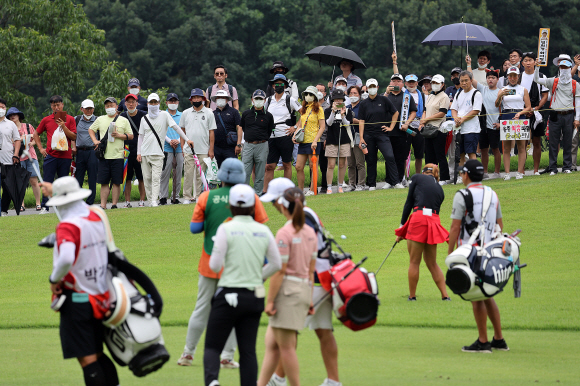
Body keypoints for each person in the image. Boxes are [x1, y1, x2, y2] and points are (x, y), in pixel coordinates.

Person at [178, 158, 269, 370]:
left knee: (201, 309)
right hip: (239, 266)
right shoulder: (252, 198)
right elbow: (260, 228)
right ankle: (227, 357)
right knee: (233, 311)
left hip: (210, 263)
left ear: (221, 178)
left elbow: (194, 228)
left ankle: (187, 353)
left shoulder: (206, 197)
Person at [259, 178, 343, 386]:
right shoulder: (309, 213)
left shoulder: (300, 220)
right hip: (322, 280)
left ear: (283, 200)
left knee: (284, 338)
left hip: (306, 282)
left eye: (274, 202)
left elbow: (296, 258)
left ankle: (277, 380)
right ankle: (333, 381)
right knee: (323, 330)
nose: (274, 207)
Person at [42, 176, 120, 386]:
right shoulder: (95, 217)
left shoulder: (67, 226)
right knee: (97, 352)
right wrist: (55, 190)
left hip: (77, 299)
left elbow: (67, 257)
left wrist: (53, 278)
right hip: (99, 294)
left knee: (87, 358)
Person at [203, 183, 282, 386]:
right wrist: (257, 276)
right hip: (253, 297)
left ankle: (212, 382)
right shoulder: (263, 230)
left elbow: (214, 264)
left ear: (231, 206)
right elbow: (276, 264)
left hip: (227, 294)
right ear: (252, 207)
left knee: (212, 346)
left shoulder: (225, 228)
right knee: (247, 351)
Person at [447, 160, 508, 353]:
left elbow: (455, 227)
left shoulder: (461, 195)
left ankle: (483, 342)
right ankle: (499, 339)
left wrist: (450, 255)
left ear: (466, 174)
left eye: (462, 173)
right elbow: (500, 225)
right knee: (487, 294)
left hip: (470, 253)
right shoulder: (492, 193)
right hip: (490, 252)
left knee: (476, 296)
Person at [257, 187, 317, 386]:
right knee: (272, 344)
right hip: (302, 291)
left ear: (283, 206)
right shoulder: (310, 232)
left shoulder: (284, 233)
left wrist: (270, 301)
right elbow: (310, 271)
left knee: (287, 348)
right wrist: (308, 299)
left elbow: (279, 271)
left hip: (288, 293)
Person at [395, 164, 450, 301]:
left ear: (424, 171)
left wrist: (402, 228)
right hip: (434, 221)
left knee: (414, 262)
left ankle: (412, 296)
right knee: (432, 263)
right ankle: (445, 295)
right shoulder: (440, 189)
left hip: (419, 219)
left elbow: (409, 202)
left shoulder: (417, 178)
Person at [137, 93, 193, 207]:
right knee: (147, 178)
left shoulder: (164, 115)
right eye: (151, 103)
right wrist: (139, 152)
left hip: (158, 152)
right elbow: (141, 136)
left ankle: (154, 201)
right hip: (145, 152)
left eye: (155, 102)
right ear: (147, 104)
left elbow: (176, 128)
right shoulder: (144, 118)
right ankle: (150, 199)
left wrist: (187, 139)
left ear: (159, 103)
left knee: (156, 177)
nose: (153, 105)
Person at [534, 55, 580, 174]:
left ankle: (567, 167)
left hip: (569, 115)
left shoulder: (575, 84)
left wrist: (577, 119)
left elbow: (578, 102)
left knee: (568, 142)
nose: (564, 70)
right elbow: (537, 80)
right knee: (553, 142)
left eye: (566, 68)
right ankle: (553, 168)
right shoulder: (553, 81)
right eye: (562, 67)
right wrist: (537, 67)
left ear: (570, 69)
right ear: (559, 68)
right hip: (555, 114)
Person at [33, 95, 77, 214]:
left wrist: (63, 126)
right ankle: (45, 207)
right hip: (50, 156)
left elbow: (73, 136)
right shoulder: (46, 119)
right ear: (51, 106)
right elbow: (36, 133)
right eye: (53, 105)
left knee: (63, 182)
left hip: (65, 156)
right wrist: (41, 148)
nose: (56, 107)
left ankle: (63, 207)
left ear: (62, 105)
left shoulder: (70, 119)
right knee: (47, 181)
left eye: (58, 105)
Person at [88, 97, 133, 209]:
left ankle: (114, 204)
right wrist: (95, 141)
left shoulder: (124, 120)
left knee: (117, 182)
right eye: (107, 106)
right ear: (105, 108)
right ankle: (103, 205)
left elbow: (131, 136)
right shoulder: (100, 119)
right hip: (104, 155)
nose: (109, 108)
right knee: (104, 182)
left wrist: (119, 136)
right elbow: (91, 130)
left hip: (118, 155)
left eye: (112, 105)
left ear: (117, 107)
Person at [358, 78, 400, 190]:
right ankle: (372, 184)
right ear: (366, 89)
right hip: (368, 134)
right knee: (371, 159)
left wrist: (391, 127)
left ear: (377, 87)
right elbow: (361, 121)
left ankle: (396, 182)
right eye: (369, 87)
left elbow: (395, 113)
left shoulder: (384, 100)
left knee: (389, 156)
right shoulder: (363, 104)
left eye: (374, 86)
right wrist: (361, 138)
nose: (372, 88)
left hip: (382, 134)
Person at [263, 74, 301, 192]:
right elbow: (263, 115)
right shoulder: (268, 100)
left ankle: (287, 191)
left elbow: (304, 114)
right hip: (271, 137)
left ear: (285, 86)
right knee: (269, 166)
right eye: (276, 84)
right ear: (273, 86)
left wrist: (295, 127)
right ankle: (265, 192)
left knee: (286, 164)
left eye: (281, 84)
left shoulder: (290, 99)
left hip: (286, 135)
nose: (279, 86)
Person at [466, 56, 502, 179]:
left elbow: (502, 109)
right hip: (483, 125)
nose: (490, 80)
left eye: (493, 78)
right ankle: (485, 172)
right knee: (484, 149)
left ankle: (497, 172)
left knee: (496, 149)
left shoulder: (500, 92)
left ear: (497, 79)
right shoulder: (483, 89)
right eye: (489, 78)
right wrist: (469, 64)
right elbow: (471, 78)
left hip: (494, 124)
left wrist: (500, 124)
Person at [180, 88, 216, 204]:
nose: (196, 99)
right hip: (188, 149)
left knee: (201, 175)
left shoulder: (209, 113)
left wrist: (211, 149)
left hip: (203, 149)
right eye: (194, 97)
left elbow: (211, 132)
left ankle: (198, 196)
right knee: (188, 174)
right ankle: (186, 197)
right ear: (191, 100)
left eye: (198, 97)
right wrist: (182, 148)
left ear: (203, 99)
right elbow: (182, 131)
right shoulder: (185, 113)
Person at [495, 67, 532, 180]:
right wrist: (501, 95)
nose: (512, 78)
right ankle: (507, 173)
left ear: (518, 76)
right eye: (510, 76)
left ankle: (519, 172)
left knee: (521, 146)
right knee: (506, 147)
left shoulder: (523, 89)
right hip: (506, 116)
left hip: (519, 117)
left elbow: (529, 107)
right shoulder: (502, 89)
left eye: (514, 76)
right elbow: (497, 104)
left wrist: (520, 113)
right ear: (507, 77)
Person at [392, 54, 425, 175]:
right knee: (404, 153)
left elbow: (424, 110)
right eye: (409, 82)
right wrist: (395, 62)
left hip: (418, 125)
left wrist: (422, 122)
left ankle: (417, 175)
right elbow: (397, 76)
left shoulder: (421, 95)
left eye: (413, 82)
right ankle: (404, 176)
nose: (411, 84)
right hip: (405, 126)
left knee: (419, 154)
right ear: (405, 83)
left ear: (417, 82)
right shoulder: (404, 93)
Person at [385, 72, 417, 187]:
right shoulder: (386, 96)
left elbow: (413, 111)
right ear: (390, 83)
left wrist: (407, 123)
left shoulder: (406, 96)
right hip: (387, 131)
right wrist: (386, 93)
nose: (396, 83)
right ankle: (388, 181)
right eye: (394, 81)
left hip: (401, 131)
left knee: (399, 157)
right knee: (388, 156)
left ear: (402, 84)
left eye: (398, 81)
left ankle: (398, 180)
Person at [241, 90, 275, 195]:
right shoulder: (246, 114)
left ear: (264, 100)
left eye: (261, 99)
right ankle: (245, 194)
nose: (258, 101)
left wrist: (261, 139)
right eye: (256, 99)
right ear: (252, 100)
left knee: (260, 173)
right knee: (245, 172)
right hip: (248, 145)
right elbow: (243, 128)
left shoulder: (268, 116)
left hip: (262, 145)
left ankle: (258, 194)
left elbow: (269, 131)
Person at [293, 86, 326, 195]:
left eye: (311, 95)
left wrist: (316, 140)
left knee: (313, 166)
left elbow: (322, 127)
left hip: (313, 141)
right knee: (298, 166)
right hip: (303, 141)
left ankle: (313, 190)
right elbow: (301, 124)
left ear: (315, 97)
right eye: (306, 94)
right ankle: (300, 190)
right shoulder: (304, 109)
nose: (308, 96)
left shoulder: (319, 109)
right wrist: (295, 134)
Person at [521, 52, 549, 175]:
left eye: (530, 60)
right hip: (522, 111)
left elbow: (545, 95)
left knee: (536, 141)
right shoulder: (519, 77)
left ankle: (536, 170)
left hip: (537, 111)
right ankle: (520, 170)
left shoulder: (541, 76)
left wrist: (536, 107)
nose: (528, 63)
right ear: (522, 63)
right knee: (523, 142)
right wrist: (525, 110)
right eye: (526, 60)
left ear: (535, 62)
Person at [7, 107, 41, 210]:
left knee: (34, 181)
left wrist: (32, 142)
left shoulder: (28, 126)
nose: (13, 116)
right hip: (17, 157)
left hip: (30, 156)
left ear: (19, 116)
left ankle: (38, 203)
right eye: (10, 115)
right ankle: (21, 204)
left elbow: (36, 138)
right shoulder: (8, 128)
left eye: (15, 114)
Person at [451, 71, 483, 178]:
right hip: (459, 129)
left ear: (470, 80)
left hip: (471, 129)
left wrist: (463, 119)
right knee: (460, 155)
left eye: (466, 80)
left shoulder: (476, 93)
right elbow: (454, 109)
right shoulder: (458, 93)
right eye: (462, 81)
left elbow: (476, 111)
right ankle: (462, 176)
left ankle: (475, 175)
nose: (464, 83)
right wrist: (456, 118)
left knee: (471, 153)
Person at [420, 75, 451, 184]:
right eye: (433, 83)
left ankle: (444, 178)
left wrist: (426, 119)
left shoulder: (444, 97)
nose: (435, 85)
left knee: (440, 155)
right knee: (429, 155)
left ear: (442, 85)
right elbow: (425, 110)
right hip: (428, 129)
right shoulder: (430, 96)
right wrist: (423, 121)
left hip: (438, 129)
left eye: (437, 83)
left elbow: (442, 113)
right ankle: (430, 177)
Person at [120, 94, 147, 207]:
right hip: (126, 149)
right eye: (128, 102)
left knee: (141, 176)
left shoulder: (144, 115)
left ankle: (142, 201)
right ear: (125, 104)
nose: (131, 104)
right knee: (128, 177)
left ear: (137, 103)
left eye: (133, 102)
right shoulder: (122, 116)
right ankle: (127, 201)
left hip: (141, 148)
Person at [324, 89, 353, 194]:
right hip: (332, 139)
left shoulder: (347, 110)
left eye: (340, 99)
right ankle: (329, 187)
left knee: (342, 164)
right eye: (336, 99)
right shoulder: (327, 111)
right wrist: (333, 111)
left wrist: (343, 115)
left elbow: (347, 124)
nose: (338, 101)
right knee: (331, 165)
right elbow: (329, 123)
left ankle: (340, 186)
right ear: (332, 100)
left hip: (344, 140)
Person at [72, 100, 99, 206]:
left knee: (92, 177)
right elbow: (72, 134)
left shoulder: (97, 120)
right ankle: (78, 202)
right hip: (79, 152)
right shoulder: (76, 119)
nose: (89, 110)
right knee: (79, 177)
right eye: (87, 108)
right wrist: (73, 147)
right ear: (81, 109)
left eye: (91, 108)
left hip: (93, 151)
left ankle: (90, 202)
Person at [159, 93, 184, 205]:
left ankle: (175, 197)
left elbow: (184, 129)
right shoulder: (162, 115)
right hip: (166, 147)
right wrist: (170, 141)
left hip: (180, 148)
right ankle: (163, 197)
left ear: (178, 102)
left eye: (175, 101)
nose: (173, 103)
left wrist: (178, 139)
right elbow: (160, 130)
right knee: (164, 173)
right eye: (170, 101)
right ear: (166, 103)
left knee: (178, 173)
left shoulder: (182, 115)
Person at [0, 99, 22, 216]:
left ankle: (3, 210)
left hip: (8, 160)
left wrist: (16, 154)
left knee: (7, 188)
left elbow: (17, 140)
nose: (1, 109)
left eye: (3, 107)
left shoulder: (11, 124)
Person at [212, 90, 242, 168]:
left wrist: (239, 144)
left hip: (230, 147)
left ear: (227, 99)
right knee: (218, 173)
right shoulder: (213, 113)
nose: (220, 99)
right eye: (218, 98)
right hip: (216, 148)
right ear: (215, 100)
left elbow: (239, 127)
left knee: (232, 171)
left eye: (222, 97)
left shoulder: (234, 112)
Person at [347, 85, 366, 191]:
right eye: (351, 93)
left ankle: (361, 184)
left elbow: (366, 121)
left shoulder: (363, 106)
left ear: (359, 95)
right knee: (350, 164)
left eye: (355, 93)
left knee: (360, 162)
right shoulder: (347, 107)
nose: (353, 95)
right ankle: (352, 184)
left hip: (359, 136)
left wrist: (356, 121)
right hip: (348, 137)